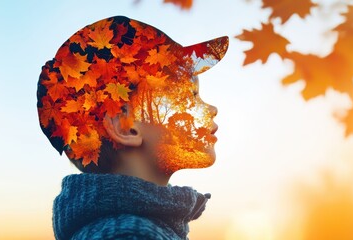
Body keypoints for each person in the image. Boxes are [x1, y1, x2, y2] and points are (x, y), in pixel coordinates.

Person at [37, 15, 229, 240]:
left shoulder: (132, 228)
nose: (212, 108)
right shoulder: (131, 234)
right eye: (190, 95)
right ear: (125, 127)